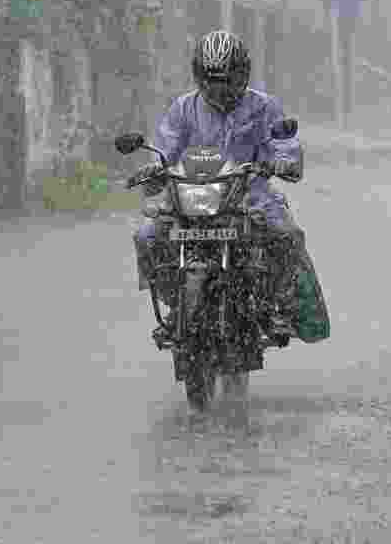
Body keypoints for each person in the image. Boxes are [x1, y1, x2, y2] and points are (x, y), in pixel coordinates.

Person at [131, 29, 317, 342]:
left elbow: (283, 143)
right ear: (199, 77)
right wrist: (153, 169)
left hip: (250, 195)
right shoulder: (184, 108)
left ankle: (278, 304)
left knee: (288, 235)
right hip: (193, 195)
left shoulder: (263, 107)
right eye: (211, 80)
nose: (220, 88)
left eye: (227, 80)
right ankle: (175, 302)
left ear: (243, 75)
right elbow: (165, 148)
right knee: (147, 236)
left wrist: (283, 161)